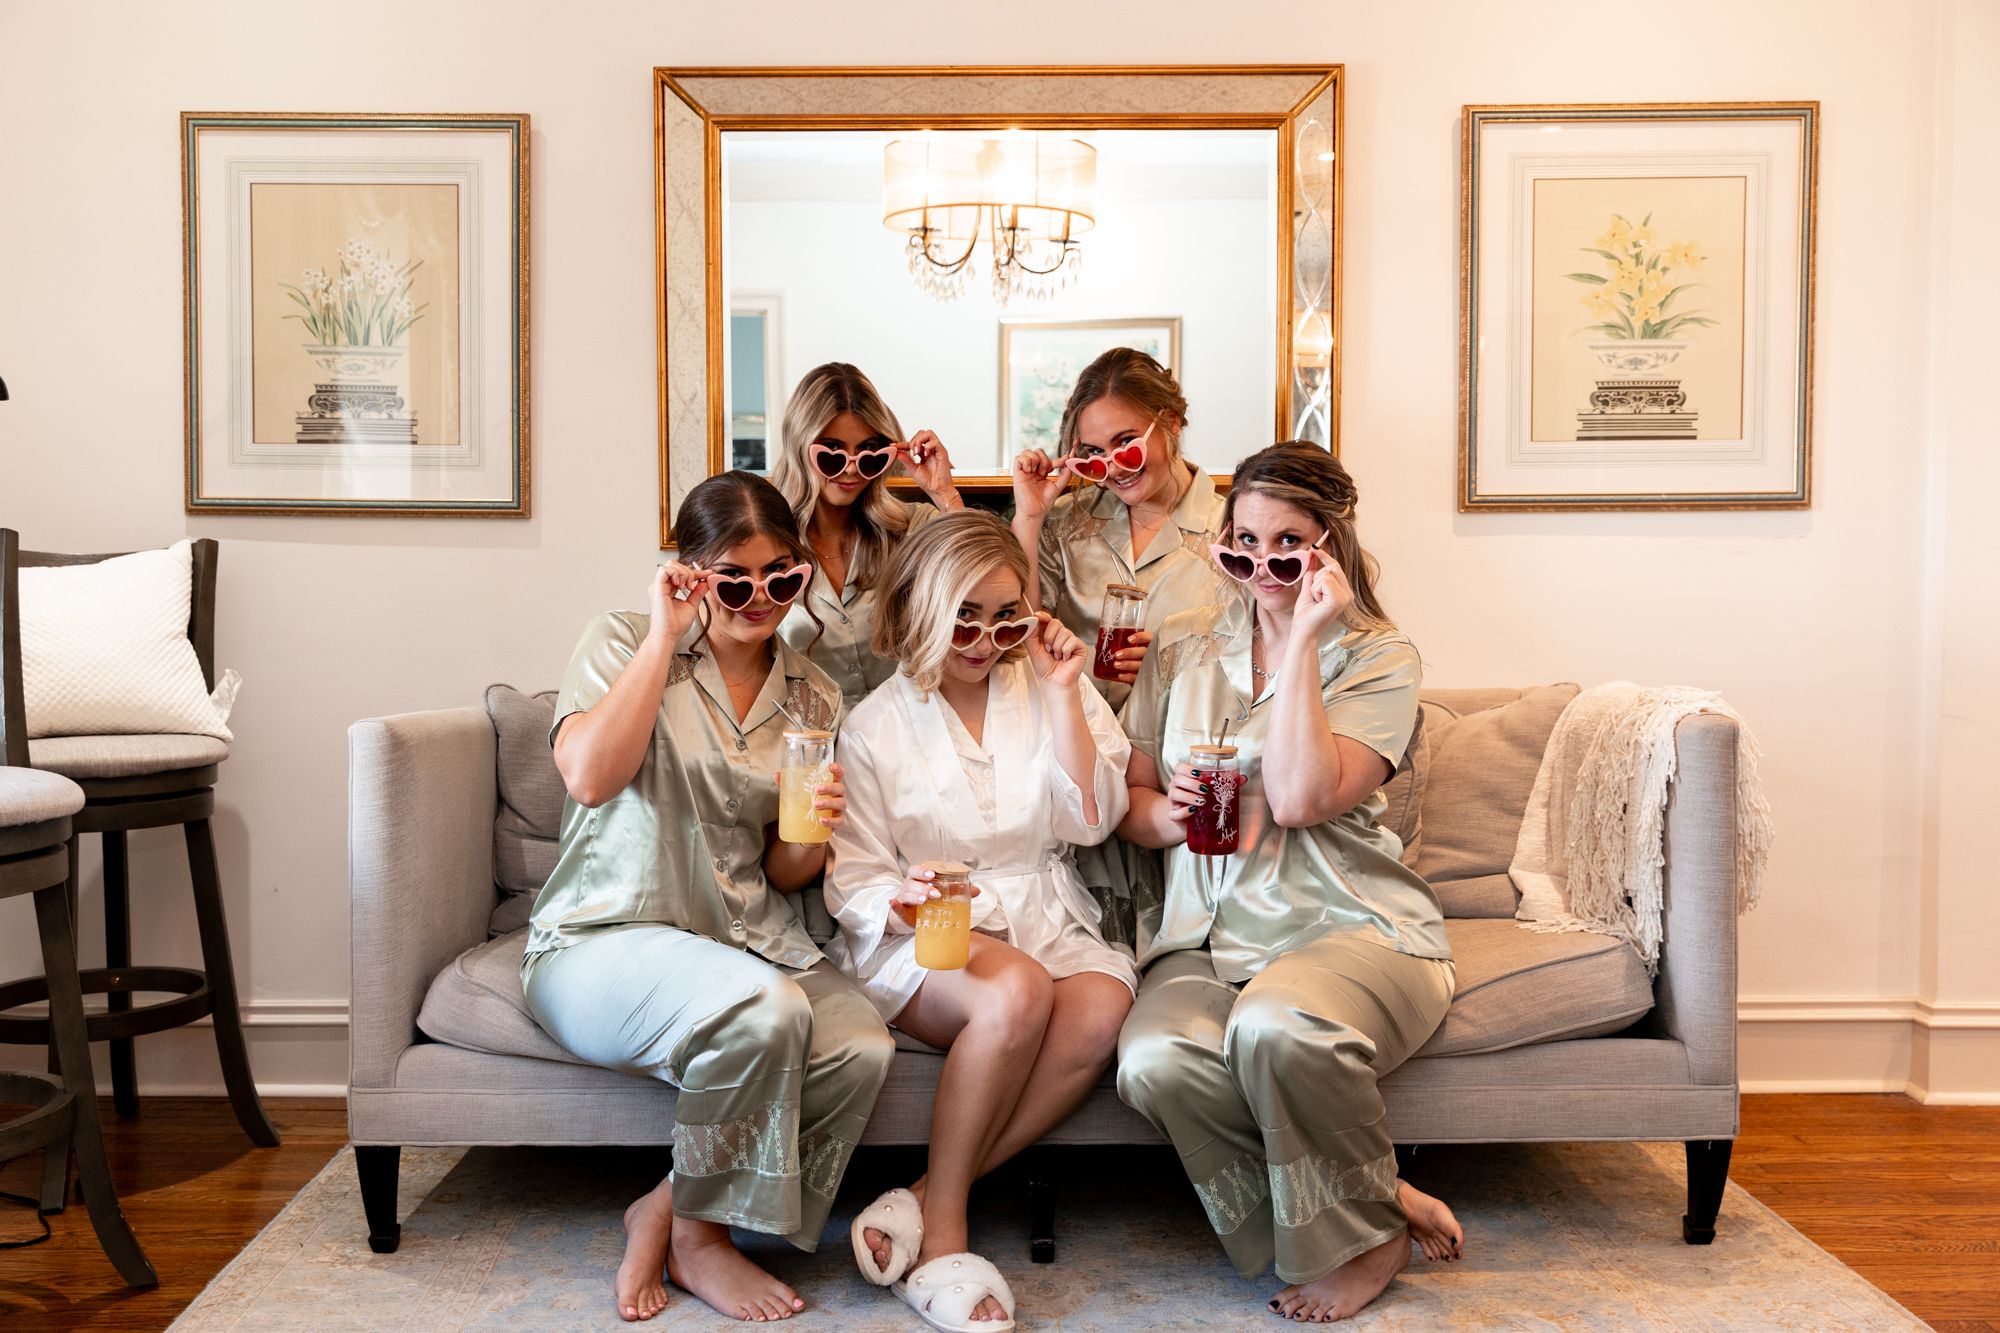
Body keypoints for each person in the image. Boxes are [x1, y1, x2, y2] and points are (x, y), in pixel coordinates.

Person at [522, 471, 894, 1324]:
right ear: (691, 573)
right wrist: (665, 635)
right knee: (766, 1009)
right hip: (604, 938)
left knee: (860, 1047)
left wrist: (813, 830)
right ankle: (701, 1241)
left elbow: (787, 871)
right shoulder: (621, 640)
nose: (759, 597)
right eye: (734, 578)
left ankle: (664, 1206)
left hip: (741, 940)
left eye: (782, 577)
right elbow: (588, 777)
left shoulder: (812, 694)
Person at [1111, 442, 1464, 1324]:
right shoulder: (1183, 651)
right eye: (1242, 547)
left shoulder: (1380, 657)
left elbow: (1303, 798)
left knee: (1275, 1025)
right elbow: (1134, 801)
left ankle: (1363, 1243)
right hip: (1208, 929)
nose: (1261, 569)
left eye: (1288, 547)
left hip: (1346, 924)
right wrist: (1166, 811)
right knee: (1154, 1060)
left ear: (1329, 548)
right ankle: (1378, 1196)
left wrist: (1303, 634)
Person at [824, 509, 1137, 1331]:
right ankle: (945, 1243)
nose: (983, 636)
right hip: (926, 942)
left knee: (1102, 1003)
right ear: (920, 604)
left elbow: (1094, 819)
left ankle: (925, 1198)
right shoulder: (872, 725)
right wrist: (900, 897)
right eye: (963, 613)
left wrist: (1069, 692)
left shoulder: (1048, 685)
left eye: (1004, 615)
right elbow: (852, 875)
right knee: (1014, 993)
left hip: (1043, 910)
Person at [1009, 347, 1226, 711]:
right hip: (1070, 735)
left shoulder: (1234, 534)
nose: (1113, 468)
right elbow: (1018, 636)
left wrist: (1172, 666)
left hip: (1176, 747)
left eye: (1127, 444)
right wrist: (1029, 519)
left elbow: (1259, 657)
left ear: (1171, 422)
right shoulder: (1062, 526)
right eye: (1094, 454)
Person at [773, 361, 965, 712]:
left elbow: (981, 588)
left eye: (867, 453)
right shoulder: (766, 544)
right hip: (809, 749)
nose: (850, 468)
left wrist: (942, 492)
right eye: (831, 452)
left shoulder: (912, 530)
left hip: (907, 744)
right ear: (799, 445)